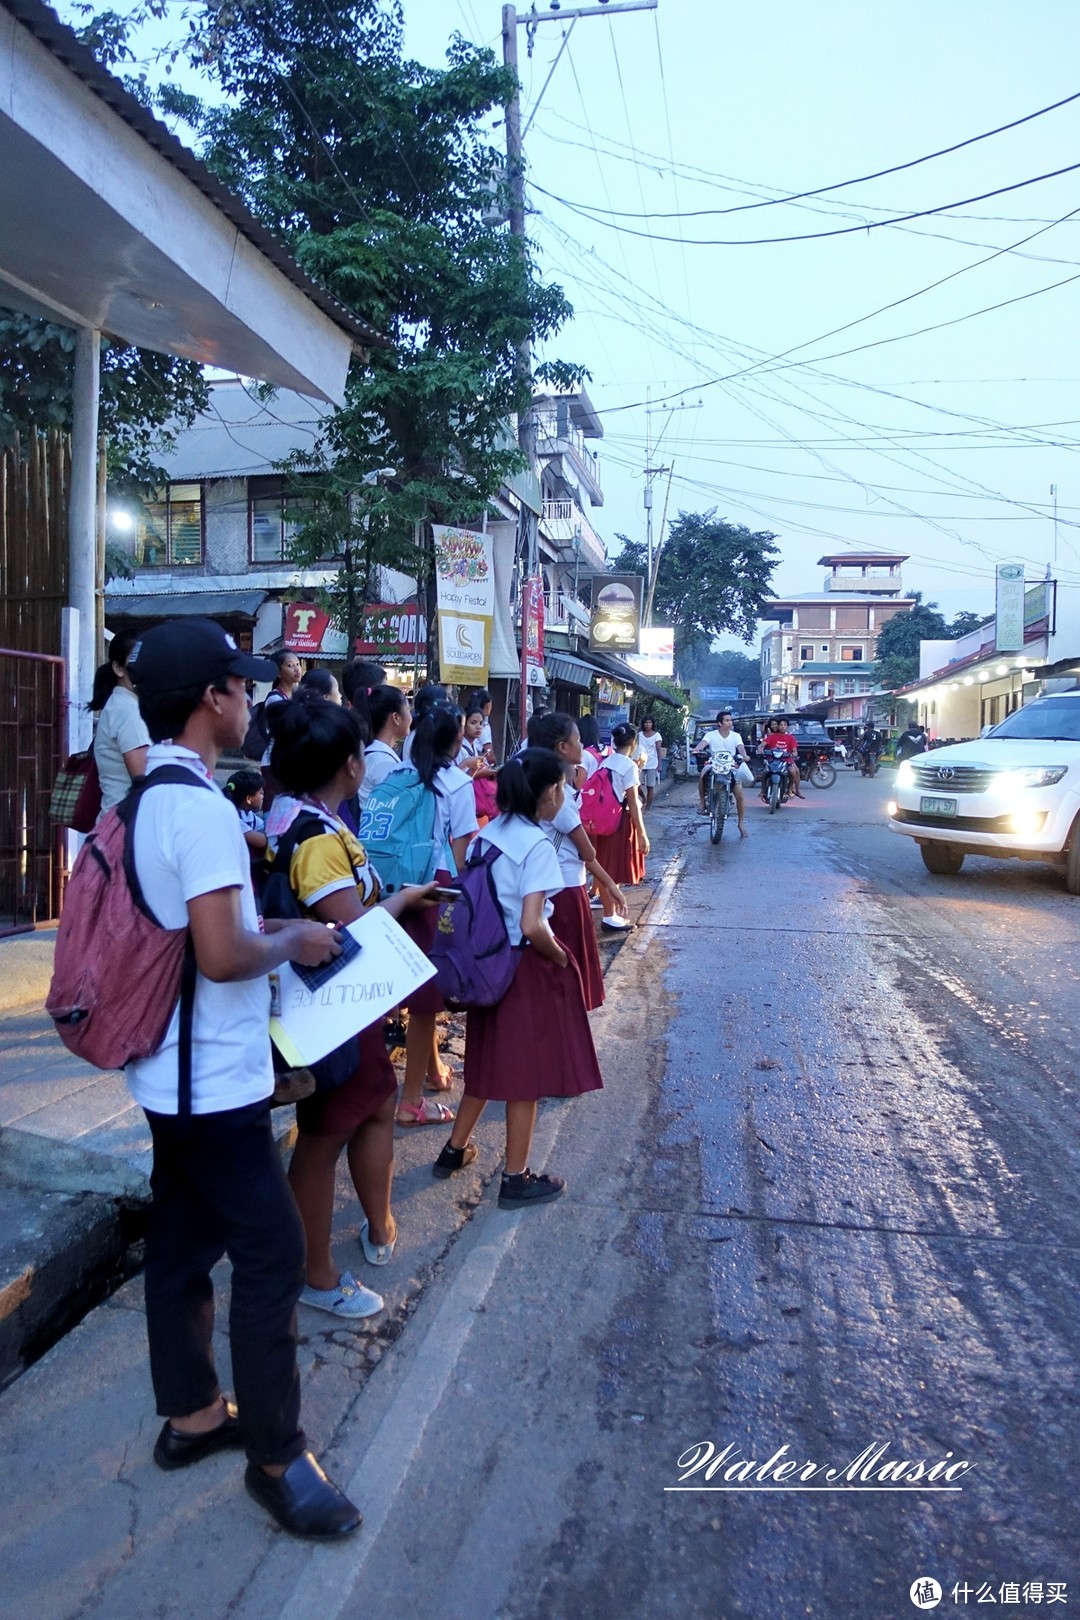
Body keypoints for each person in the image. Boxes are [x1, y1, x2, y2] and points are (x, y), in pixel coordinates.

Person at [124, 617, 360, 1539]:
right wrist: (296, 939)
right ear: (209, 702)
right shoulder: (203, 810)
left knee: (180, 1246)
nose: (251, 699)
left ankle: (189, 1420)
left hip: (162, 1075)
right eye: (239, 686)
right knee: (270, 1257)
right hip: (212, 1081)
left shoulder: (146, 798)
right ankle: (276, 1456)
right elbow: (223, 956)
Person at [267, 699, 438, 1320]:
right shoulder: (315, 838)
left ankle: (379, 1224)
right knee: (323, 1137)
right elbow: (353, 929)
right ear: (351, 764)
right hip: (331, 1009)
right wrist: (406, 901)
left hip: (347, 1007)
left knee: (377, 1105)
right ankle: (315, 1273)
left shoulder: (302, 816)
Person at [430, 749, 604, 1206]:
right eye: (562, 788)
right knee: (523, 1077)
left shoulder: (491, 836)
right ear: (549, 793)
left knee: (486, 1064)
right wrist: (561, 958)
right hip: (521, 966)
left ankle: (453, 1150)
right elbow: (532, 924)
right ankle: (515, 1177)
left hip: (487, 963)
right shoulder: (537, 845)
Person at [396, 704, 480, 1126]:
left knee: (413, 986)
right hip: (435, 885)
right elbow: (462, 850)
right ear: (456, 738)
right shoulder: (456, 782)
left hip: (392, 885)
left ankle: (432, 1070)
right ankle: (411, 1101)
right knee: (429, 996)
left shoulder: (398, 775)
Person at [529, 711, 627, 986]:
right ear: (562, 748)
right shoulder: (559, 800)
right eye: (578, 741)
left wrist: (608, 885)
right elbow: (588, 853)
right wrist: (610, 885)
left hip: (554, 884)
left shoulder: (545, 789)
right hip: (565, 889)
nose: (583, 747)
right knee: (567, 972)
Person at [92, 631, 150, 817]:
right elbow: (145, 780)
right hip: (125, 828)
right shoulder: (127, 711)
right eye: (135, 662)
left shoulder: (125, 705)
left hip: (121, 821)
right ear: (118, 668)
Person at [590, 721, 650, 891]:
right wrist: (642, 834)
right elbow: (633, 802)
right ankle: (611, 913)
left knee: (606, 862)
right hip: (620, 820)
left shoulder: (606, 761)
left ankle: (607, 904)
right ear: (633, 742)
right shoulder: (629, 765)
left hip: (605, 817)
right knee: (615, 866)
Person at [694, 710, 751, 835]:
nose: (730, 722)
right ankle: (702, 802)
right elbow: (702, 744)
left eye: (731, 720)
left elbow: (741, 748)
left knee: (740, 794)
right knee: (703, 773)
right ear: (719, 723)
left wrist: (744, 755)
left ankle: (741, 823)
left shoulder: (736, 736)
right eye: (727, 720)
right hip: (713, 764)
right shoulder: (710, 735)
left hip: (730, 766)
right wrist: (697, 749)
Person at [259, 650, 302, 811]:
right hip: (274, 762)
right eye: (290, 666)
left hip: (286, 760)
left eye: (298, 664)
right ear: (278, 672)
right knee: (275, 807)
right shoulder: (275, 699)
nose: (297, 669)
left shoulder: (295, 696)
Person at [223, 767, 268, 871]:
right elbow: (263, 841)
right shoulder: (233, 818)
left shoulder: (248, 815)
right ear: (249, 798)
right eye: (261, 793)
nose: (263, 797)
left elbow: (263, 828)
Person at [759, 717, 803, 800]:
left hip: (786, 761)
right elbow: (761, 745)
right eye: (781, 725)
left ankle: (789, 789)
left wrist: (793, 754)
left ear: (787, 727)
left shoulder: (790, 738)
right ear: (778, 726)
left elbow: (795, 751)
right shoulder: (772, 737)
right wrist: (760, 749)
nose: (783, 726)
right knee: (764, 773)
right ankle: (763, 791)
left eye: (785, 725)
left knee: (793, 772)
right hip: (772, 761)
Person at [636, 715, 665, 812]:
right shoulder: (639, 735)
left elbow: (658, 750)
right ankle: (643, 798)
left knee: (650, 786)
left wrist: (659, 764)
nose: (648, 725)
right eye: (646, 722)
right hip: (640, 762)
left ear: (652, 724)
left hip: (652, 763)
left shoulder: (657, 736)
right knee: (636, 784)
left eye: (649, 722)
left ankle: (648, 807)